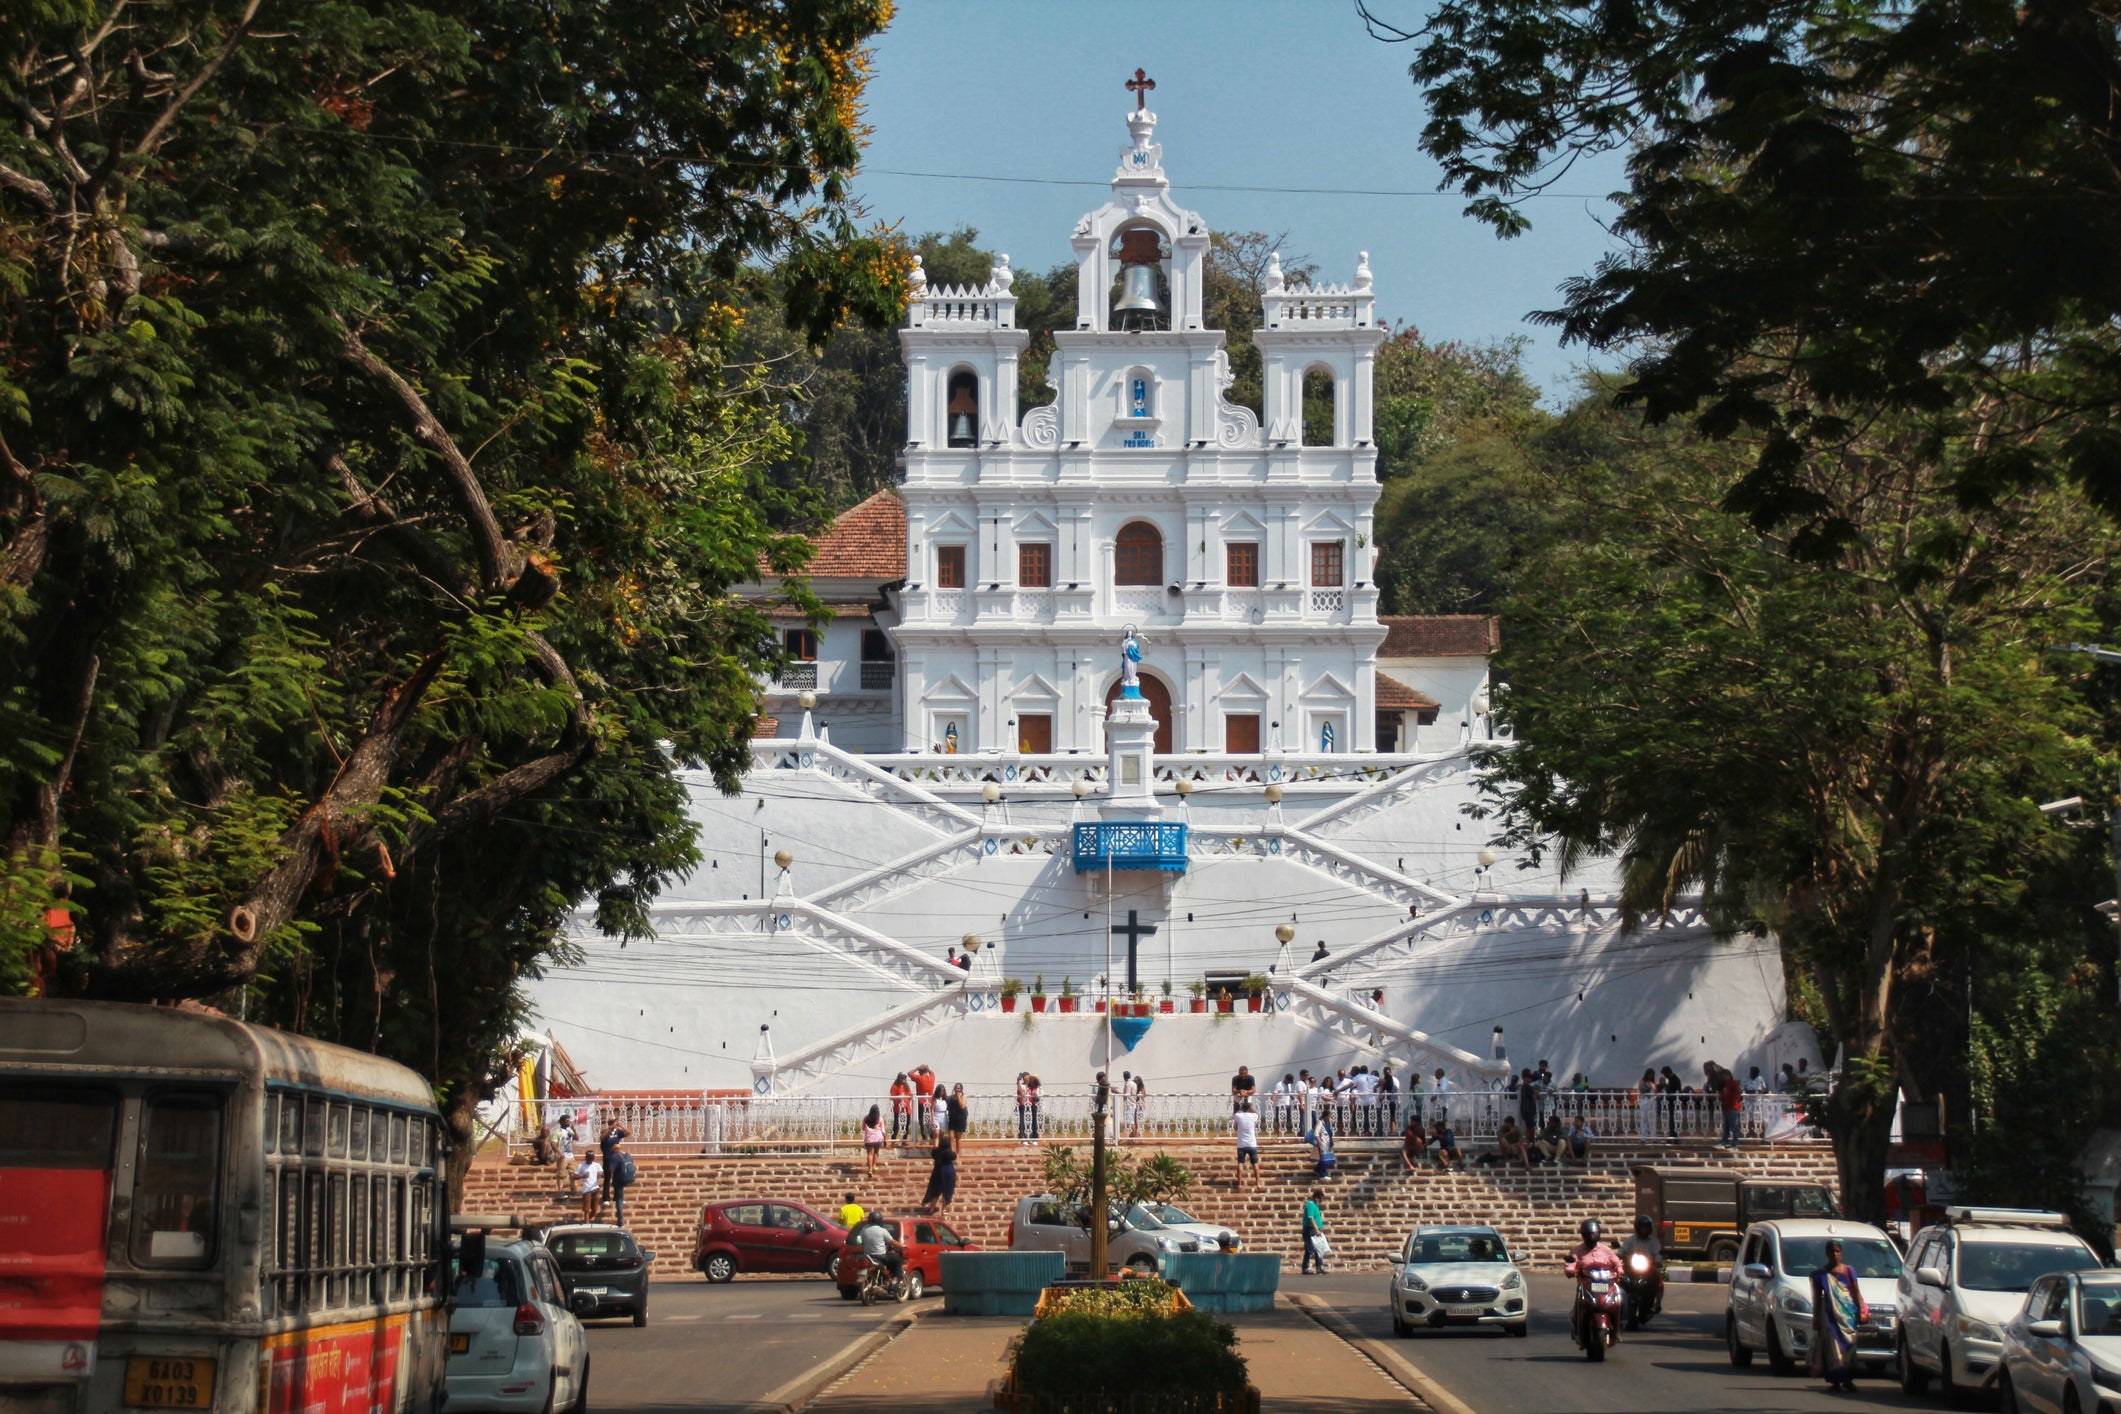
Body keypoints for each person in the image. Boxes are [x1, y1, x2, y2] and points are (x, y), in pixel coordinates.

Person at [1810, 1238, 1870, 1392]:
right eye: (1831, 1251)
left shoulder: (1849, 1271)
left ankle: (1848, 1380)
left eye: (1837, 1251)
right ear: (1826, 1253)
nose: (1834, 1254)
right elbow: (1817, 1298)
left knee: (1849, 1347)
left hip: (1848, 1314)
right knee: (1833, 1349)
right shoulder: (1821, 1275)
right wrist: (1816, 1317)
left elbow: (1855, 1292)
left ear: (1841, 1253)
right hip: (1830, 1316)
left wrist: (1860, 1310)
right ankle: (1836, 1380)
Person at [858, 1213, 905, 1289]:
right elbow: (892, 1241)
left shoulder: (864, 1230)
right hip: (881, 1256)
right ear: (880, 1220)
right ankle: (894, 1281)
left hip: (868, 1256)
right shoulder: (882, 1230)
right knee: (898, 1261)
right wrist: (902, 1246)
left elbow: (862, 1242)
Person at [919, 1130, 958, 1215]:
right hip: (948, 1172)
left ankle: (931, 1209)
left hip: (937, 1171)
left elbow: (934, 1152)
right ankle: (943, 1210)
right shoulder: (949, 1153)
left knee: (935, 1191)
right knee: (946, 1191)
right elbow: (954, 1156)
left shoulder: (936, 1152)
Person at [1232, 1099, 1261, 1190]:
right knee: (1255, 1163)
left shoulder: (1238, 1116)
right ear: (1249, 1108)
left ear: (1242, 1107)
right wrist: (1251, 1108)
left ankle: (1239, 1183)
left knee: (1240, 1163)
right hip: (1252, 1144)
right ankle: (1258, 1183)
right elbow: (1258, 1114)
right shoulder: (1253, 1116)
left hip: (1241, 1144)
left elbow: (1235, 1115)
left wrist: (1241, 1108)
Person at [607, 1138, 635, 1225]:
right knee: (619, 1194)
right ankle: (618, 1201)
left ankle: (620, 1218)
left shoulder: (615, 1156)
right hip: (628, 1177)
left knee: (619, 1198)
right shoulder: (628, 1155)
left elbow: (612, 1169)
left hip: (619, 1179)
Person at [1300, 1188, 1329, 1274]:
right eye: (1321, 1199)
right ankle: (1305, 1268)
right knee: (1309, 1249)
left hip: (1315, 1230)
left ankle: (1319, 1267)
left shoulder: (1315, 1206)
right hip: (1310, 1230)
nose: (1321, 1201)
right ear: (1317, 1198)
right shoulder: (1311, 1205)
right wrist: (1316, 1229)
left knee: (1318, 1249)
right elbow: (1311, 1218)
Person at [1717, 1063, 1744, 1147]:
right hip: (1726, 1107)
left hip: (1733, 1108)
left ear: (1728, 1075)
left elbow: (1738, 1093)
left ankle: (1735, 1145)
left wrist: (1733, 1101)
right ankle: (1723, 1142)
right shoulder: (1725, 1085)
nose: (1722, 1078)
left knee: (1734, 1127)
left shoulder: (1734, 1083)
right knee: (1726, 1127)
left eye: (1723, 1076)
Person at [574, 1150, 603, 1222]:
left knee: (595, 1209)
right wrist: (582, 1175)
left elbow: (601, 1173)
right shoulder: (581, 1166)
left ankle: (586, 1220)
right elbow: (574, 1176)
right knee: (586, 1209)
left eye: (592, 1158)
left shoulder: (596, 1165)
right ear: (586, 1158)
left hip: (595, 1188)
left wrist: (600, 1174)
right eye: (589, 1158)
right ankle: (586, 1223)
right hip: (587, 1190)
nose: (590, 1159)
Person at [911, 1066, 937, 1140]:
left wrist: (916, 1068)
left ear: (920, 1072)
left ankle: (924, 1136)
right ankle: (932, 1136)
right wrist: (927, 1068)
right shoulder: (932, 1077)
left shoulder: (919, 1078)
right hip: (930, 1102)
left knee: (922, 1119)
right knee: (930, 1119)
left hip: (921, 1102)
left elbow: (909, 1073)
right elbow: (932, 1073)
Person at [1309, 1110, 1337, 1179]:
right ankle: (1322, 1174)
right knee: (1324, 1159)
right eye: (1329, 1116)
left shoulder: (1327, 1123)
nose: (1329, 1117)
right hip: (1322, 1142)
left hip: (1327, 1143)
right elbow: (1316, 1133)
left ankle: (1317, 1170)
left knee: (1326, 1158)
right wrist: (1319, 1141)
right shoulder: (1320, 1122)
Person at [553, 1114, 576, 1196]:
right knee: (561, 1174)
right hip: (563, 1156)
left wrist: (574, 1129)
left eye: (569, 1121)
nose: (568, 1122)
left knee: (573, 1173)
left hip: (570, 1155)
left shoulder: (570, 1130)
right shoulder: (557, 1132)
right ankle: (560, 1191)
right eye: (567, 1121)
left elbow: (577, 1138)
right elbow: (553, 1144)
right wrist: (560, 1153)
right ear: (562, 1122)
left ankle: (573, 1190)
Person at [889, 1073, 914, 1142]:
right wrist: (899, 1098)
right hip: (898, 1109)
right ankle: (893, 1139)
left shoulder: (907, 1087)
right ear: (899, 1078)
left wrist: (912, 1095)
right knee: (896, 1124)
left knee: (906, 1124)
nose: (904, 1079)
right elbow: (892, 1097)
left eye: (905, 1078)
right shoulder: (895, 1086)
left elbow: (910, 1095)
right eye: (902, 1078)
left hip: (907, 1109)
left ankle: (904, 1140)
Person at [861, 1108, 885, 1176]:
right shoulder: (880, 1118)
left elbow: (863, 1128)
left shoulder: (866, 1118)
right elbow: (883, 1130)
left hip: (869, 1138)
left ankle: (870, 1169)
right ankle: (874, 1165)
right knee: (876, 1153)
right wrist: (885, 1138)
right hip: (878, 1138)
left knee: (870, 1154)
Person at [1636, 1068, 1658, 1140]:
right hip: (1644, 1100)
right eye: (1649, 1074)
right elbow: (1641, 1089)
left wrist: (1651, 1085)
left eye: (1652, 1075)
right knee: (1644, 1119)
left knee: (1652, 1119)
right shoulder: (1642, 1081)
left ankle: (1653, 1136)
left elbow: (1655, 1090)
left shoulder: (1652, 1082)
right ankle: (1643, 1137)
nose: (1651, 1076)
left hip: (1651, 1100)